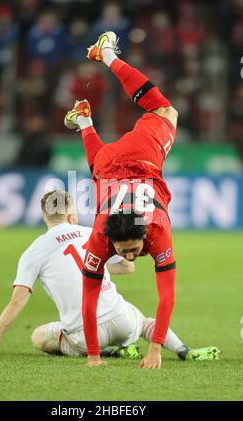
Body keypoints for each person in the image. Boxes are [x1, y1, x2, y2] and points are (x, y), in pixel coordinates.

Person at [0, 190, 220, 362]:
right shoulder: (92, 234)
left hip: (85, 336)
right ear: (71, 215)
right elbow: (128, 267)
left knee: (38, 336)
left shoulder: (34, 250)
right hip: (123, 321)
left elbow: (17, 301)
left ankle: (109, 352)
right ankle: (183, 350)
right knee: (143, 322)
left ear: (45, 217)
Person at [64, 31, 181, 369]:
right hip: (117, 164)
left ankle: (101, 73)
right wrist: (94, 355)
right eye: (126, 250)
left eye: (131, 249)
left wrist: (155, 347)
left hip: (134, 159)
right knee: (102, 169)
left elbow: (167, 296)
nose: (131, 255)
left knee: (165, 111)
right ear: (111, 239)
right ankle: (91, 99)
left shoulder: (153, 231)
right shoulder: (103, 237)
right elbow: (88, 299)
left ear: (144, 235)